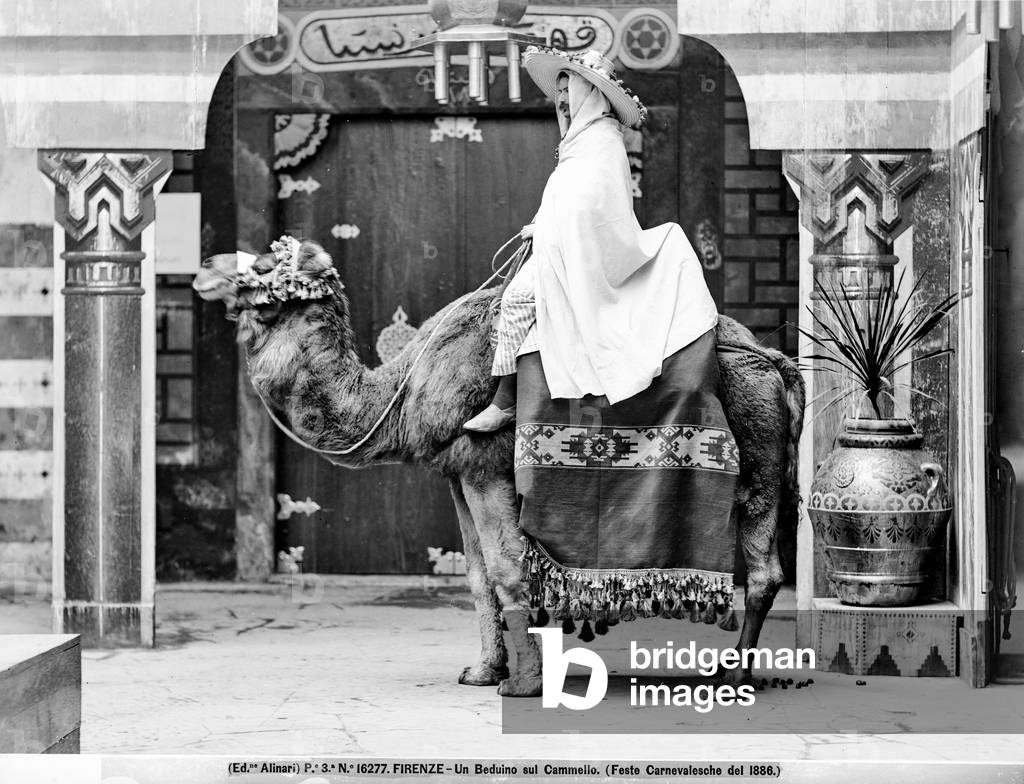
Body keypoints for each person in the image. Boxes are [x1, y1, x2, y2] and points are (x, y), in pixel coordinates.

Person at [464, 47, 718, 432]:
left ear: (590, 94)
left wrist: (550, 229)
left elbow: (595, 211)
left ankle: (504, 401)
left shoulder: (603, 142)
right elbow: (567, 201)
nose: (562, 101)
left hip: (592, 254)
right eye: (561, 92)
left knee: (517, 298)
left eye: (570, 92)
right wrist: (543, 224)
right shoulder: (577, 144)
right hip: (565, 245)